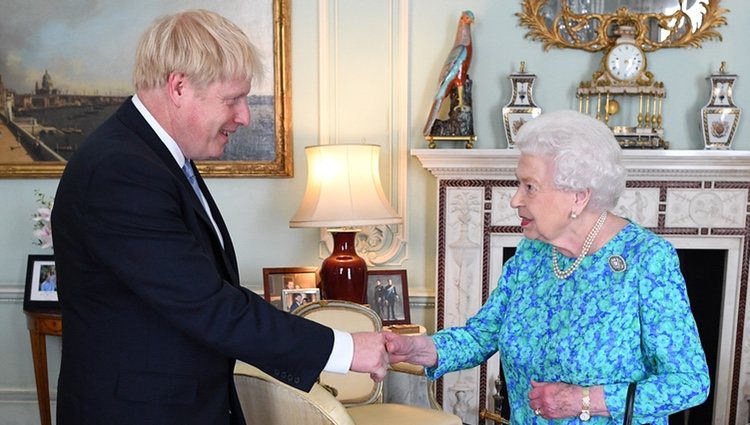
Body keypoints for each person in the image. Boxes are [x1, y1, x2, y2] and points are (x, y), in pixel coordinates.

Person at [51, 10, 388, 425]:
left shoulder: (157, 159)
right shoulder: (120, 171)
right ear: (178, 86)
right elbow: (208, 304)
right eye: (232, 99)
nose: (245, 116)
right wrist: (347, 349)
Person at [385, 110, 710, 424]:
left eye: (530, 186)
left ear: (578, 197)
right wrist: (418, 348)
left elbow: (689, 382)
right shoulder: (532, 254)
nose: (515, 200)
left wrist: (585, 401)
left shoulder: (646, 260)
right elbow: (480, 337)